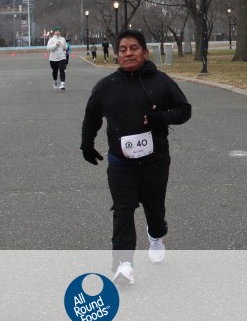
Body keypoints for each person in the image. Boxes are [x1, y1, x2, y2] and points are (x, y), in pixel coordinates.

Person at [80, 29, 192, 285]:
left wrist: (161, 118)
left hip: (155, 162)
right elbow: (92, 116)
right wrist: (86, 144)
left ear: (145, 52)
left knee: (155, 209)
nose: (128, 53)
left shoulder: (160, 81)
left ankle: (156, 234)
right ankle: (124, 266)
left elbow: (184, 110)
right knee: (123, 210)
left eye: (133, 48)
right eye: (123, 50)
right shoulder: (106, 86)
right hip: (121, 164)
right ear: (117, 55)